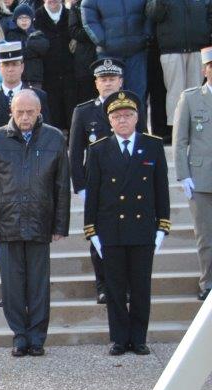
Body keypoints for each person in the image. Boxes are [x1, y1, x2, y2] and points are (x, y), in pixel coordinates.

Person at [0, 89, 70, 356]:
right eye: (20, 112)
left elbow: (62, 185)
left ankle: (37, 337)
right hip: (7, 223)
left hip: (40, 222)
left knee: (39, 285)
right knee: (12, 285)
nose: (25, 117)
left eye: (30, 112)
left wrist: (59, 225)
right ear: (11, 112)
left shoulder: (54, 137)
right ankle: (19, 334)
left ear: (39, 111)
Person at [84, 90, 171, 355]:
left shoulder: (153, 145)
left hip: (142, 228)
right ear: (109, 121)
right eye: (117, 116)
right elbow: (93, 193)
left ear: (137, 118)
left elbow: (161, 189)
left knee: (141, 287)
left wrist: (162, 227)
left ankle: (139, 337)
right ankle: (119, 338)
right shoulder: (98, 149)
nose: (123, 120)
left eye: (128, 115)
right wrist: (92, 231)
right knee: (115, 288)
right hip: (111, 229)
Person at [69, 57, 133, 303]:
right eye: (103, 79)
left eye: (112, 79)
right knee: (99, 238)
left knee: (128, 235)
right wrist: (81, 186)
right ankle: (103, 285)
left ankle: (125, 285)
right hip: (97, 186)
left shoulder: (131, 107)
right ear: (96, 83)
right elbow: (75, 153)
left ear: (120, 81)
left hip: (128, 183)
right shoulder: (84, 111)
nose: (107, 83)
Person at [172, 46, 212, 301]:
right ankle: (207, 282)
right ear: (204, 69)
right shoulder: (191, 97)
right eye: (211, 66)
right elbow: (179, 140)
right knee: (205, 236)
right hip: (200, 178)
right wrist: (183, 174)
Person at [0, 41, 49, 177]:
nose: (10, 69)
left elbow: (46, 134)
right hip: (0, 169)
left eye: (15, 64)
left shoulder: (38, 96)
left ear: (22, 67)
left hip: (33, 166)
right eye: (6, 65)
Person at [146, 0, 211, 128]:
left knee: (198, 93)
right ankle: (176, 131)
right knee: (175, 94)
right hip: (172, 49)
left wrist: (206, 32)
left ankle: (197, 130)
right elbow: (154, 15)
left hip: (198, 48)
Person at [80, 0, 151, 99]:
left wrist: (146, 35)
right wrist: (102, 41)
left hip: (136, 52)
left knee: (137, 96)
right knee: (111, 97)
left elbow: (149, 13)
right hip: (109, 54)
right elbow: (89, 20)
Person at [34, 0, 76, 132]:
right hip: (47, 74)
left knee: (71, 108)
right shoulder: (37, 16)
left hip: (70, 73)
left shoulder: (70, 14)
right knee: (52, 110)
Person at [5, 5, 49, 88]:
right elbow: (16, 53)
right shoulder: (11, 35)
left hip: (35, 78)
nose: (24, 20)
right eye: (21, 18)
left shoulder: (37, 33)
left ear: (32, 20)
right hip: (17, 78)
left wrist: (26, 44)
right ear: (15, 20)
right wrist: (33, 51)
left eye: (27, 18)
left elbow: (44, 48)